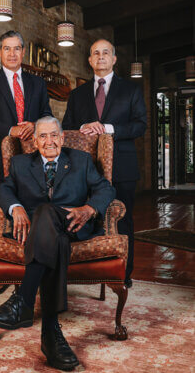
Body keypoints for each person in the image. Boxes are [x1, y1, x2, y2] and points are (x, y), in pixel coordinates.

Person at [0, 116, 115, 371]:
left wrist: (89, 208)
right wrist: (16, 208)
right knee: (50, 228)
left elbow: (106, 189)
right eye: (42, 136)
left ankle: (23, 301)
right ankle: (51, 334)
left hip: (74, 224)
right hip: (41, 234)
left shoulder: (81, 160)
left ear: (62, 138)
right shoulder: (20, 163)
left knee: (47, 212)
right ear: (34, 141)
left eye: (54, 135)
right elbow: (2, 191)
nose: (49, 141)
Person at [62, 39, 147, 287]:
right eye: (95, 53)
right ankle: (90, 270)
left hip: (123, 167)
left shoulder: (130, 91)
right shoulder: (77, 95)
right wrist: (83, 127)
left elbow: (140, 125)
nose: (100, 57)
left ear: (114, 59)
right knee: (88, 217)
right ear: (89, 60)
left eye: (105, 53)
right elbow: (66, 127)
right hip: (84, 170)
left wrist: (107, 128)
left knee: (122, 219)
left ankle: (124, 273)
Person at [0, 31, 52, 234]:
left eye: (17, 48)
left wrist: (35, 124)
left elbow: (47, 115)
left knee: (34, 215)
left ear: (23, 52)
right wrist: (11, 130)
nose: (12, 53)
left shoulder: (38, 83)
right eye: (7, 48)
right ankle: (1, 261)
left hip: (33, 161)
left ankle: (33, 261)